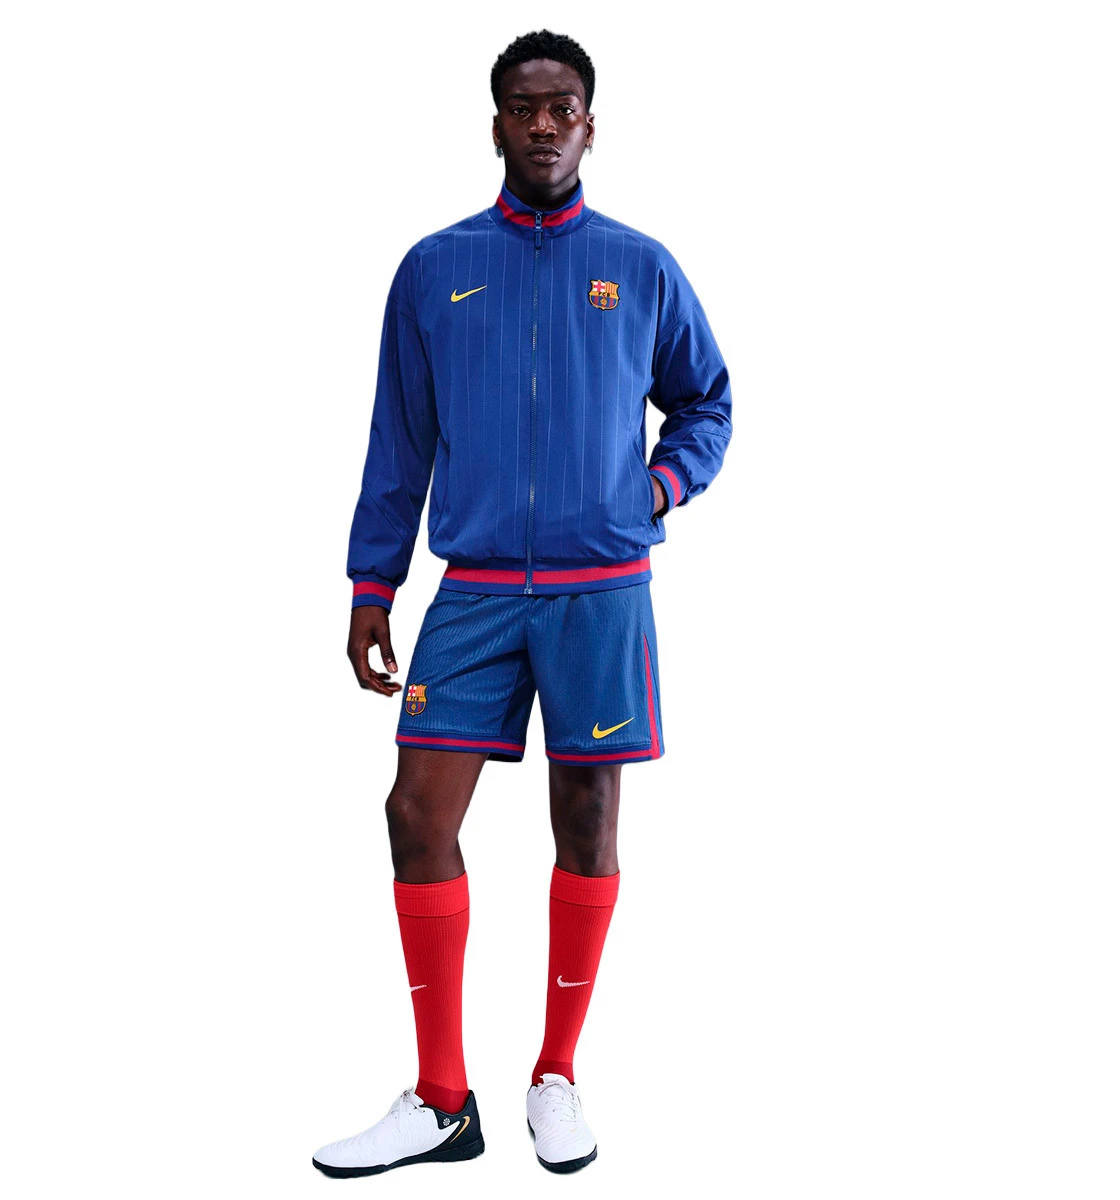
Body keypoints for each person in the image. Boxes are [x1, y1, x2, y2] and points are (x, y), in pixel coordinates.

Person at [313, 28, 732, 1178]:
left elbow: (707, 402)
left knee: (586, 821)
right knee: (415, 814)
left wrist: (658, 486)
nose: (544, 124)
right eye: (522, 106)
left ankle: (555, 1073)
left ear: (592, 125)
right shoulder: (433, 269)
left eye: (563, 107)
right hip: (479, 589)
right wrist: (372, 582)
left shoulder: (639, 266)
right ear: (495, 123)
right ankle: (443, 1099)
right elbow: (399, 440)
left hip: (601, 589)